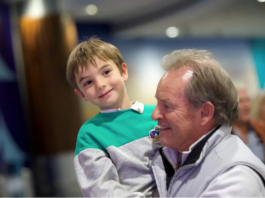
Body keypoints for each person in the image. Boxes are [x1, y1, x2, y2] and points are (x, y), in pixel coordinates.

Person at [151, 49, 265, 197]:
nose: (154, 115)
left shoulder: (235, 179)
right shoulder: (171, 153)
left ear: (204, 113)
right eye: (157, 103)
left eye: (167, 106)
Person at [66, 38, 159, 197]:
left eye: (106, 72)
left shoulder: (158, 115)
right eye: (88, 82)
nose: (100, 84)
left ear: (123, 71)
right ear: (81, 94)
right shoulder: (90, 134)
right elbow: (102, 189)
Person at [232, 88, 265, 162]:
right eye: (241, 101)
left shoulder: (261, 128)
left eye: (248, 100)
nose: (246, 106)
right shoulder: (226, 134)